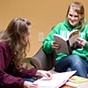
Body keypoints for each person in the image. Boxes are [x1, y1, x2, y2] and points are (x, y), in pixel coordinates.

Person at [0, 17, 52, 88]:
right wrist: (22, 83)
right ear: (19, 35)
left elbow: (15, 69)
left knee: (32, 82)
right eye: (27, 34)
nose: (29, 37)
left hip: (5, 79)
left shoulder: (11, 45)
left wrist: (38, 72)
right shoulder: (2, 47)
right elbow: (1, 76)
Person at [42, 1, 88, 78]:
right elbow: (45, 45)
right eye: (70, 15)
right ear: (67, 14)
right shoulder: (59, 27)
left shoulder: (86, 28)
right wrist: (51, 44)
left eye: (76, 16)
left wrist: (86, 44)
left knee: (70, 71)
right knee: (74, 58)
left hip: (83, 62)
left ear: (81, 17)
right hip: (62, 61)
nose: (72, 19)